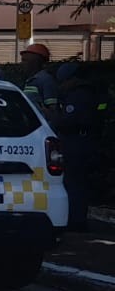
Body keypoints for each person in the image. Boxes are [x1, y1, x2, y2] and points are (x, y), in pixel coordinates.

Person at [53, 61, 106, 232]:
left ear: (71, 79)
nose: (62, 86)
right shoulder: (88, 92)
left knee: (74, 181)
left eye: (63, 82)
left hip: (76, 141)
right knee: (78, 182)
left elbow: (69, 121)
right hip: (83, 140)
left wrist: (53, 119)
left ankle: (75, 220)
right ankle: (76, 217)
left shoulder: (78, 95)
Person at [19, 43, 58, 111]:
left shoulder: (46, 80)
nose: (22, 64)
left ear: (36, 62)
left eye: (25, 60)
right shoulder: (30, 80)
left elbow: (52, 109)